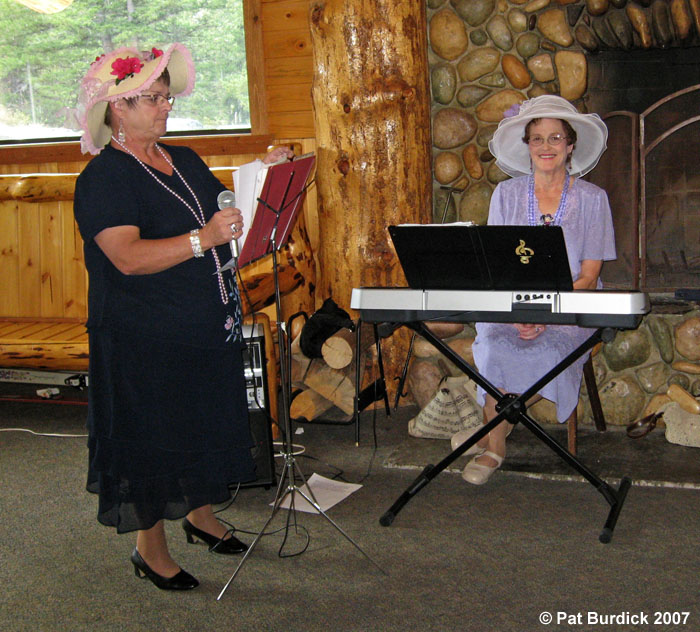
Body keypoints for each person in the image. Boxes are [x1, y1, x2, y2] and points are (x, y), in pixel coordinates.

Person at [73, 43, 293, 591]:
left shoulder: (183, 159)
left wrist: (264, 176)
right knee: (152, 436)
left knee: (200, 422)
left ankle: (200, 514)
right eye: (153, 98)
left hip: (201, 323)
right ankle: (150, 549)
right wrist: (202, 240)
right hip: (141, 335)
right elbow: (126, 257)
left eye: (167, 96)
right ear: (118, 107)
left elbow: (219, 206)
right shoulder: (104, 178)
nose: (166, 105)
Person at [451, 95, 616, 485]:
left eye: (555, 137)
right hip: (514, 305)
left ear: (571, 145)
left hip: (574, 307)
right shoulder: (505, 196)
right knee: (494, 344)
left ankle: (492, 442)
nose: (546, 146)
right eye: (537, 138)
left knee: (546, 350)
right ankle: (496, 441)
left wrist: (545, 316)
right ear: (526, 145)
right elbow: (498, 267)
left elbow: (589, 276)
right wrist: (522, 311)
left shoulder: (594, 199)